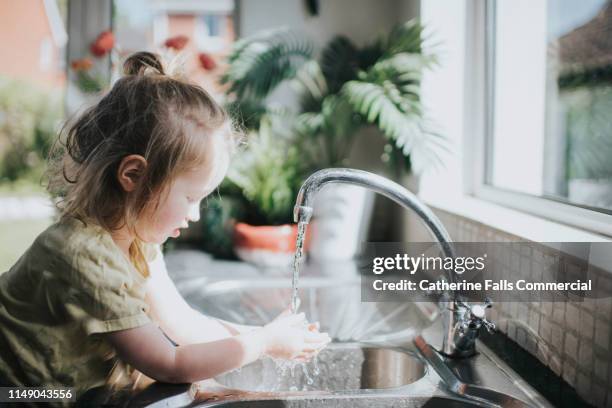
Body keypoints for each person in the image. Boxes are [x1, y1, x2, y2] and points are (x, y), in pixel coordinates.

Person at [0, 51, 330, 402]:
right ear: (133, 176)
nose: (197, 215)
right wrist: (263, 343)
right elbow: (169, 362)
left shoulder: (135, 237)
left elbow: (182, 324)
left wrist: (267, 334)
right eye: (190, 198)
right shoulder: (85, 255)